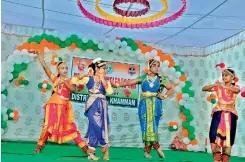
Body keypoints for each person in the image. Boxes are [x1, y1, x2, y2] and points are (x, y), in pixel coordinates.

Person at [113, 57, 173, 159]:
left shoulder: (161, 79)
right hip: (144, 105)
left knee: (153, 127)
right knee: (146, 127)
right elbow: (129, 82)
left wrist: (165, 96)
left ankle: (155, 148)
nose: (157, 68)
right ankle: (152, 149)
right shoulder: (144, 78)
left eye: (158, 66)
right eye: (154, 65)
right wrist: (117, 84)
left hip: (156, 105)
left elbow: (170, 88)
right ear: (149, 67)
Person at [34, 53, 89, 155]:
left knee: (70, 127)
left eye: (66, 68)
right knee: (47, 126)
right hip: (52, 105)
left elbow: (73, 90)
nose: (64, 70)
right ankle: (39, 146)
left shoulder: (70, 80)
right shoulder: (55, 79)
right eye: (62, 68)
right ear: (58, 70)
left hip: (64, 107)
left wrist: (64, 82)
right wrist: (39, 56)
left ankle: (84, 148)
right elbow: (45, 67)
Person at [71, 58, 113, 161]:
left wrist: (103, 79)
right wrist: (85, 75)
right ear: (96, 69)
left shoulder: (106, 81)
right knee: (96, 125)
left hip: (102, 105)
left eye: (106, 68)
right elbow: (73, 81)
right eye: (103, 68)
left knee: (96, 128)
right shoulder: (89, 79)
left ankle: (91, 153)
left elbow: (110, 92)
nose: (105, 70)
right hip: (92, 104)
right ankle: (105, 146)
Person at [202, 68, 240, 162]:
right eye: (223, 75)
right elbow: (204, 89)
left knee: (229, 137)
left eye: (226, 75)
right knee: (214, 134)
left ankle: (226, 158)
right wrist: (216, 84)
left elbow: (237, 91)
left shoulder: (235, 87)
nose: (224, 77)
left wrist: (224, 86)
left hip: (230, 115)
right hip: (218, 113)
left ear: (232, 77)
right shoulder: (218, 86)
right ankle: (217, 157)